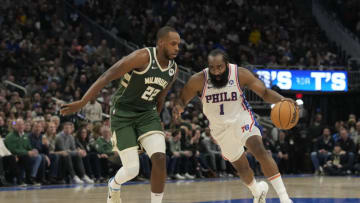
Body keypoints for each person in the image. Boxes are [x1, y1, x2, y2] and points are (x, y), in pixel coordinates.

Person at [60, 26, 180, 203]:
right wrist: (82, 102)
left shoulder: (173, 69)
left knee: (160, 158)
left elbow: (160, 97)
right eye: (173, 44)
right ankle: (114, 185)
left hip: (147, 114)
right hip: (123, 112)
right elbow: (107, 75)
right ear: (161, 43)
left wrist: (155, 125)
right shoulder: (142, 57)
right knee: (132, 169)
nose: (177, 48)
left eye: (179, 44)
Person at [174, 49, 295, 203]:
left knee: (259, 150)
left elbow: (264, 92)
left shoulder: (239, 74)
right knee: (242, 168)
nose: (216, 72)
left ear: (227, 64)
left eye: (219, 67)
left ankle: (284, 198)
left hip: (241, 118)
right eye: (212, 68)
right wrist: (178, 107)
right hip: (220, 129)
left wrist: (283, 100)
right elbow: (182, 99)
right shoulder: (198, 80)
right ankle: (257, 192)